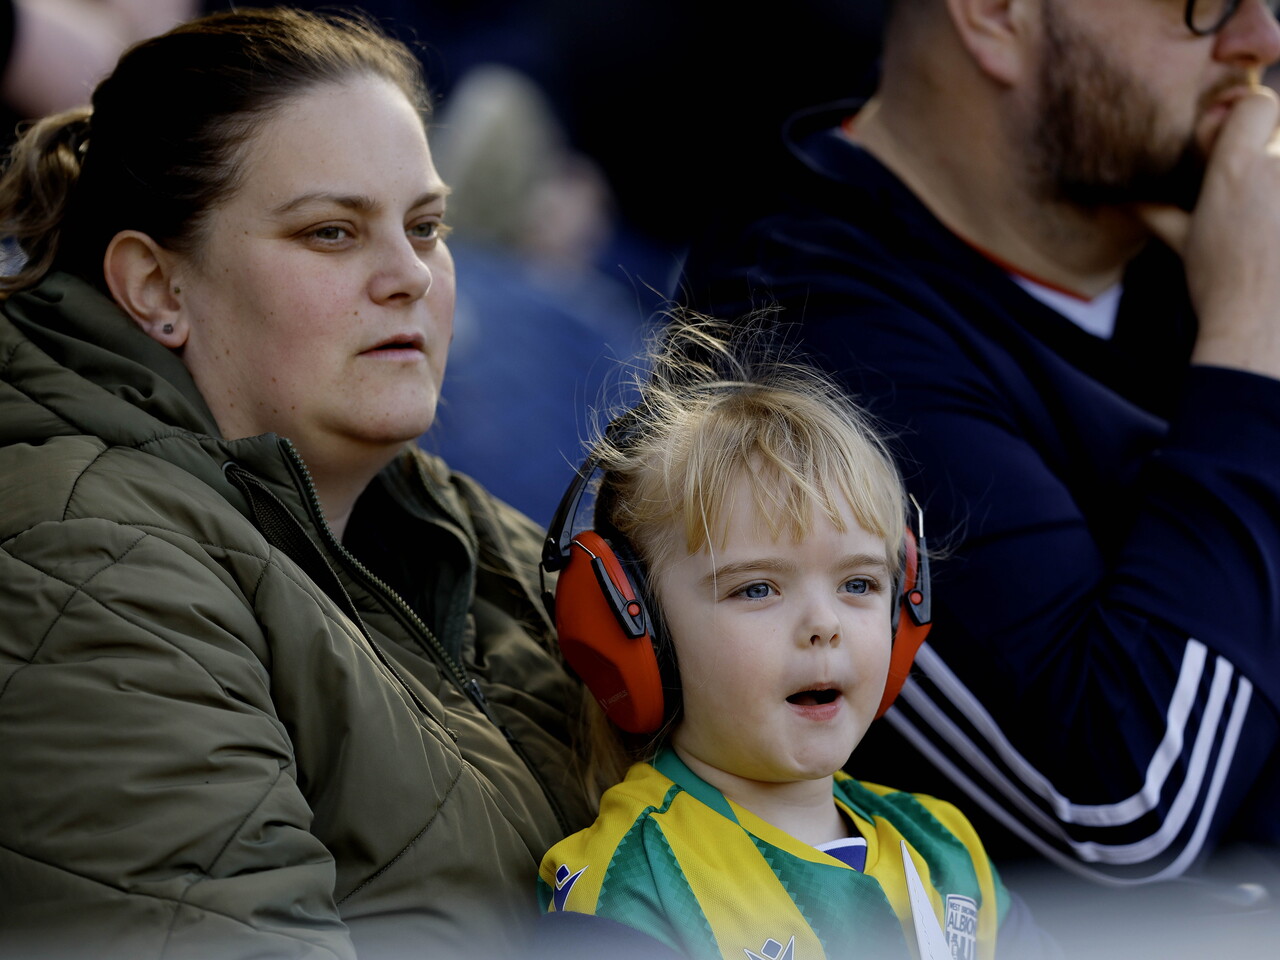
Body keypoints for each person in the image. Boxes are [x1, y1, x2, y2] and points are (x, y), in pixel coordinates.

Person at [0, 8, 595, 959]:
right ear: (157, 288)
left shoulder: (447, 520)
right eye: (331, 232)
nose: (409, 276)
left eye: (428, 227)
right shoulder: (82, 561)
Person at [677, 0, 1280, 893]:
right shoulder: (807, 341)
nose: (1260, 40)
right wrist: (1255, 334)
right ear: (995, 15)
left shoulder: (1214, 226)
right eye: (1201, 7)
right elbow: (1125, 810)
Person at [535, 319, 1052, 960]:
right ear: (634, 629)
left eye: (860, 583)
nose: (824, 623)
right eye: (757, 589)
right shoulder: (630, 891)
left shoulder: (947, 853)